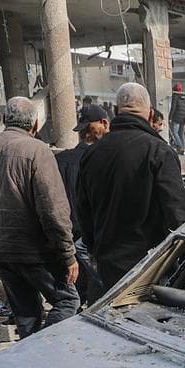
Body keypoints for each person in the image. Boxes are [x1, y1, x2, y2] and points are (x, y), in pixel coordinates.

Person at [0, 96, 78, 338]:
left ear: (5, 120)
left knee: (26, 314)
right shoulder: (38, 151)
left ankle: (32, 362)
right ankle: (45, 349)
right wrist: (68, 254)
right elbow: (53, 209)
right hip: (32, 250)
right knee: (68, 301)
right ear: (35, 125)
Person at [76, 83, 185, 289]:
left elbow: (83, 212)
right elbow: (178, 215)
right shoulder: (159, 152)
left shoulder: (91, 155)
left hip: (107, 268)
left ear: (116, 112)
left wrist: (94, 250)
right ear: (150, 114)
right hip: (150, 268)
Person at [56, 104, 111, 302]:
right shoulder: (103, 158)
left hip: (68, 233)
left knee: (77, 292)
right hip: (93, 233)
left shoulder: (61, 160)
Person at [169, 83, 185, 151]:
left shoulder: (175, 96)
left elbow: (173, 107)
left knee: (175, 132)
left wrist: (170, 117)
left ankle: (180, 147)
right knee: (181, 133)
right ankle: (183, 147)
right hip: (183, 118)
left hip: (176, 118)